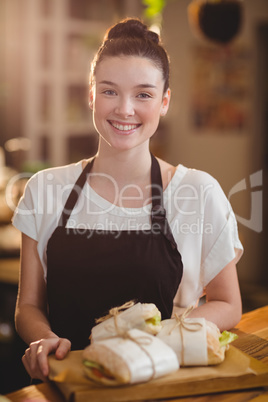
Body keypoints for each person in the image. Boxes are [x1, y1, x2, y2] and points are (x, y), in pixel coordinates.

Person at [12, 17, 243, 382]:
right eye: (109, 91)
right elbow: (28, 307)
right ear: (90, 95)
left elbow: (228, 304)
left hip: (163, 381)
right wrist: (46, 341)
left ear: (164, 102)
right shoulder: (44, 189)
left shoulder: (197, 192)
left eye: (143, 94)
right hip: (69, 381)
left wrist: (157, 337)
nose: (124, 109)